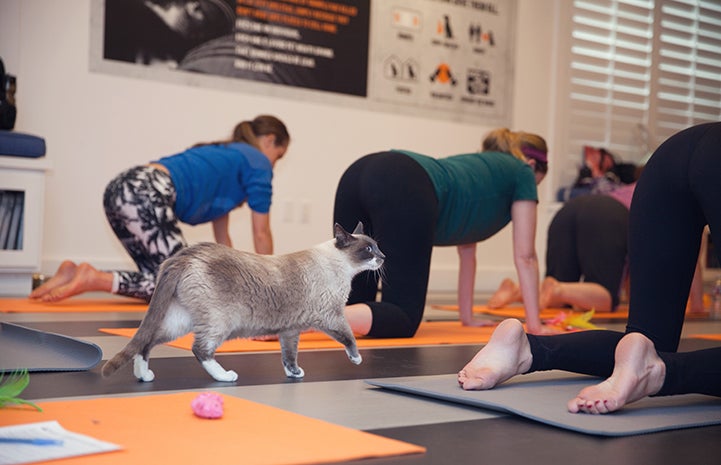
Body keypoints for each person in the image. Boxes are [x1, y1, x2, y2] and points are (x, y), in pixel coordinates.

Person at [458, 122, 721, 413]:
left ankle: (528, 349)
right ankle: (660, 373)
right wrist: (697, 303)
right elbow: (693, 263)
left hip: (670, 155)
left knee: (646, 344)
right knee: (648, 352)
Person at [30, 115, 290, 303]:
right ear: (269, 140)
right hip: (147, 192)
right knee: (182, 286)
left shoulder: (226, 156)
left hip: (122, 187)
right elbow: (261, 233)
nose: (274, 165)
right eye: (278, 156)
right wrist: (270, 284)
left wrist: (233, 281)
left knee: (161, 286)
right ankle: (93, 278)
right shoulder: (258, 161)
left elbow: (223, 241)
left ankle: (70, 273)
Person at [333, 128, 551, 338]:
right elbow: (526, 256)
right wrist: (536, 326)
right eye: (537, 184)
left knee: (353, 301)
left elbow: (467, 251)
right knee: (401, 316)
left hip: (357, 173)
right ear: (532, 166)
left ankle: (313, 311)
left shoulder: (479, 168)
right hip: (401, 181)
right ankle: (315, 317)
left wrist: (467, 318)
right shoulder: (523, 171)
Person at [489, 193, 632, 313]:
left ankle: (516, 290)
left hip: (568, 210)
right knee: (607, 298)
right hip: (608, 215)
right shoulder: (649, 190)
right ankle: (559, 289)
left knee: (556, 297)